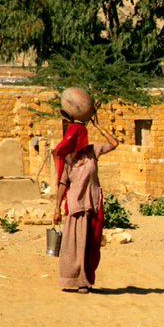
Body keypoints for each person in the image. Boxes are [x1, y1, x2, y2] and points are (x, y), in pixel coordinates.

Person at [52, 115, 118, 293]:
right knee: (72, 245)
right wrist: (57, 208)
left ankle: (85, 282)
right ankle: (69, 279)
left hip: (93, 204)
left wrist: (99, 126)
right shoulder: (67, 160)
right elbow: (63, 183)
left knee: (90, 244)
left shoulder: (92, 152)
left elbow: (114, 144)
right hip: (75, 205)